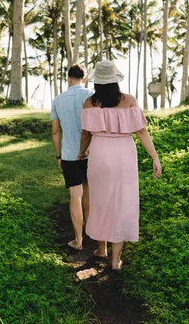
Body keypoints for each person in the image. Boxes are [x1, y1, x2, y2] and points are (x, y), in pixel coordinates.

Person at [78, 60, 162, 270]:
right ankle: (116, 260)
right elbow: (141, 132)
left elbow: (86, 134)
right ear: (116, 81)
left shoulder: (89, 103)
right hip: (124, 154)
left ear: (97, 82)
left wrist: (81, 153)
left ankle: (101, 249)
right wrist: (154, 157)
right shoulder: (129, 101)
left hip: (99, 154)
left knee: (100, 200)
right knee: (122, 203)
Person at [51, 64, 94, 251]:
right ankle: (91, 232)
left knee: (75, 196)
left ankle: (78, 240)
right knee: (89, 193)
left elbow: (55, 131)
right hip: (91, 153)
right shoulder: (91, 95)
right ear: (84, 79)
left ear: (69, 79)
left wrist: (59, 155)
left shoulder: (58, 100)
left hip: (69, 155)